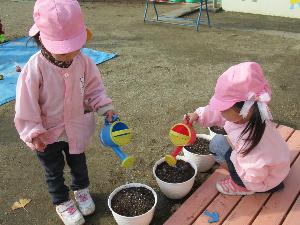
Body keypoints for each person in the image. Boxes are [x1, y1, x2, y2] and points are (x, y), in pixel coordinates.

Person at [14, 1, 115, 224]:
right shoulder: (34, 69)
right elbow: (26, 105)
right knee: (53, 170)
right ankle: (62, 201)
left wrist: (104, 106)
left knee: (79, 162)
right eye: (63, 51)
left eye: (75, 47)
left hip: (76, 127)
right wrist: (33, 132)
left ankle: (81, 189)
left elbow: (94, 89)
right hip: (48, 134)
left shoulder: (84, 62)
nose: (70, 54)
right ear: (41, 39)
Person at [184, 62, 290, 195]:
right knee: (218, 142)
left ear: (243, 108)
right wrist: (198, 115)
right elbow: (216, 112)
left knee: (218, 146)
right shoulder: (253, 112)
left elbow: (254, 175)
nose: (219, 110)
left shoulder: (249, 142)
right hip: (277, 164)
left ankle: (241, 186)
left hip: (263, 179)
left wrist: (236, 156)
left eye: (223, 108)